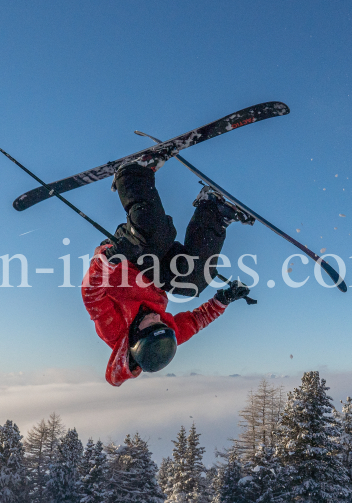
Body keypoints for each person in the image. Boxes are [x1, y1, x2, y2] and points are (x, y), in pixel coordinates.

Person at [82, 151, 254, 386]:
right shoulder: (165, 334)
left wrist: (110, 258)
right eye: (162, 323)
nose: (157, 317)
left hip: (124, 258)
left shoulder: (114, 329)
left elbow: (91, 294)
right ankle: (213, 210)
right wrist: (223, 300)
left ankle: (131, 173)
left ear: (135, 337)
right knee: (193, 282)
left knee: (154, 237)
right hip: (155, 275)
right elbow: (196, 321)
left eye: (152, 324)